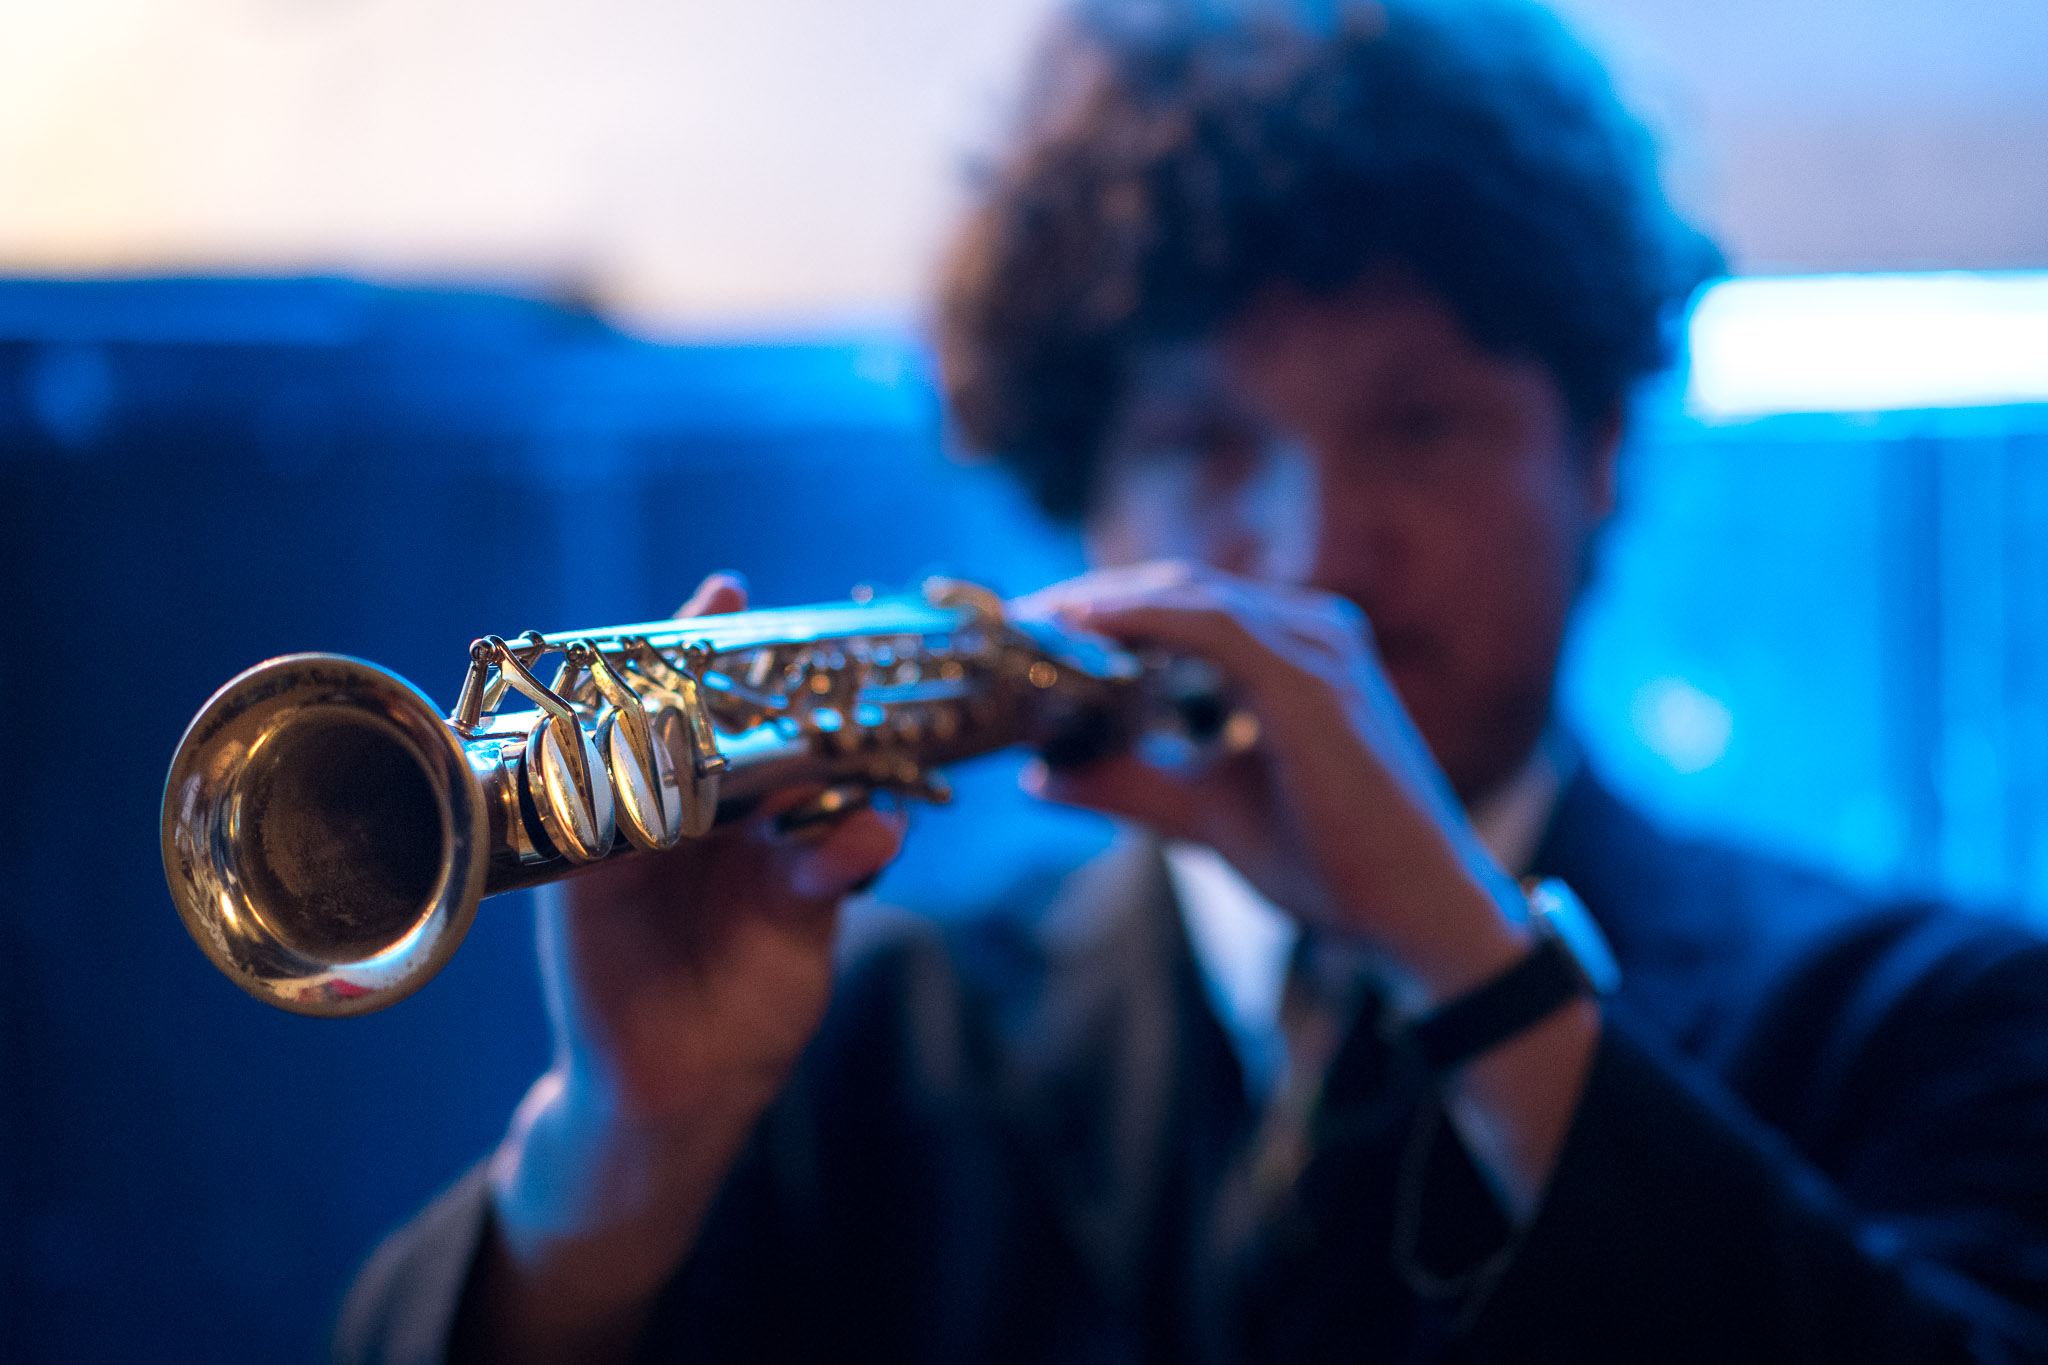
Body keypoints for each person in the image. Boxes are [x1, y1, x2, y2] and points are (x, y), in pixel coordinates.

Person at [337, 2, 2048, 1361]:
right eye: (1199, 442)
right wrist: (625, 1147)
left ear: (1597, 446)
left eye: (1419, 425)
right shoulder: (876, 1047)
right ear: (1083, 499)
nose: (1307, 548)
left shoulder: (1927, 1017)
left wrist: (1466, 965)